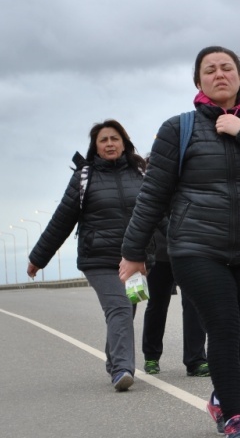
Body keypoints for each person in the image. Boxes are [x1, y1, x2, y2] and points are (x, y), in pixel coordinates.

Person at [119, 46, 240, 438]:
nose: (219, 74)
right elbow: (152, 195)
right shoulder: (177, 128)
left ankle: (221, 398)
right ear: (198, 81)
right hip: (195, 246)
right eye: (209, 70)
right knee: (224, 326)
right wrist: (133, 254)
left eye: (227, 68)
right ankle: (235, 419)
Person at [28, 120, 149, 392]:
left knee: (126, 311)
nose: (109, 144)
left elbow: (157, 212)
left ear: (124, 143)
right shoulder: (85, 177)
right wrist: (39, 257)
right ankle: (122, 370)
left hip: (134, 258)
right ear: (95, 147)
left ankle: (114, 361)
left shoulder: (140, 172)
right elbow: (62, 219)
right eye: (103, 140)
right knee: (118, 307)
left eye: (114, 138)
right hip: (98, 259)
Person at [142, 224, 209, 377]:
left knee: (193, 303)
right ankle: (151, 357)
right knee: (157, 305)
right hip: (160, 253)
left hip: (189, 250)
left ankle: (196, 360)